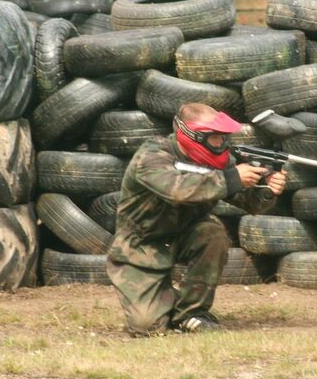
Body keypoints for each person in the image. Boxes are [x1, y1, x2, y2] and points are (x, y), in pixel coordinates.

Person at [106, 103, 286, 336]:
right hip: (142, 246)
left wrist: (267, 189)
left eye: (224, 138)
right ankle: (164, 299)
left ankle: (191, 312)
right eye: (215, 139)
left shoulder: (219, 160)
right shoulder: (152, 156)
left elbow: (248, 202)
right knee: (147, 328)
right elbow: (178, 190)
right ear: (192, 135)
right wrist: (233, 178)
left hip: (187, 235)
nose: (222, 145)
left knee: (212, 231)